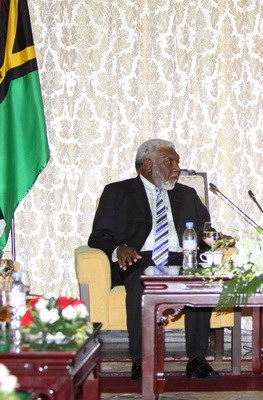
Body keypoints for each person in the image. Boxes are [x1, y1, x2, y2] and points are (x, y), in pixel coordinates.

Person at [88, 138, 218, 381]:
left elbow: (205, 231)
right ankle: (142, 359)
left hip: (182, 257)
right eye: (170, 162)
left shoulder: (187, 194)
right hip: (139, 257)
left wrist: (215, 239)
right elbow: (98, 235)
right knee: (142, 279)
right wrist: (119, 248)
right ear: (148, 165)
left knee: (200, 280)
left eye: (177, 162)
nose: (177, 168)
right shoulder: (117, 192)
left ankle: (197, 359)